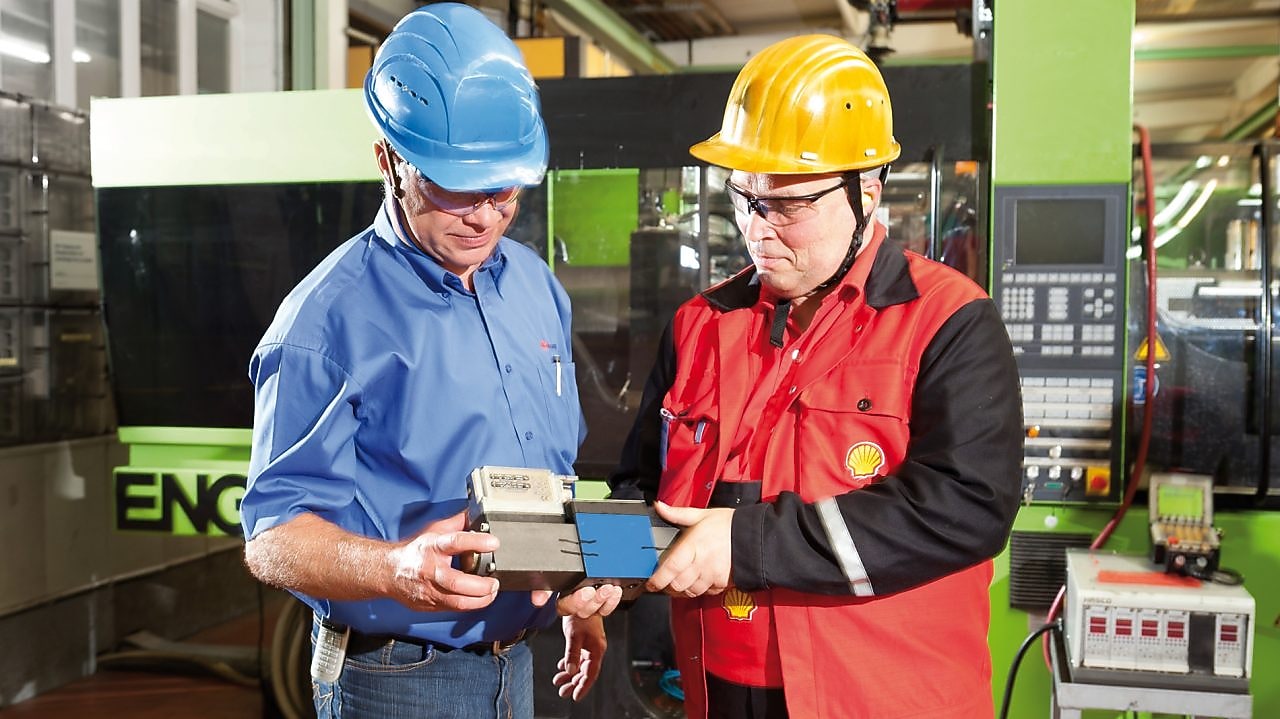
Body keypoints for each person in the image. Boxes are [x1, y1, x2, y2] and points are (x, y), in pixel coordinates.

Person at [610, 35, 1023, 718]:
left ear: (869, 189)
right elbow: (641, 486)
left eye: (789, 204)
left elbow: (967, 506)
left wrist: (745, 542)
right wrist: (605, 566)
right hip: (718, 691)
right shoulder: (697, 324)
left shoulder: (949, 321)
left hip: (881, 697)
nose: (758, 230)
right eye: (744, 198)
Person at [239, 5, 621, 718]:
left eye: (504, 186)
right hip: (397, 679)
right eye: (454, 185)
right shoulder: (323, 322)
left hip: (519, 665)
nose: (484, 214)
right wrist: (392, 568)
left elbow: (550, 477)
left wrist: (573, 591)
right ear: (387, 159)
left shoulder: (536, 286)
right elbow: (271, 538)